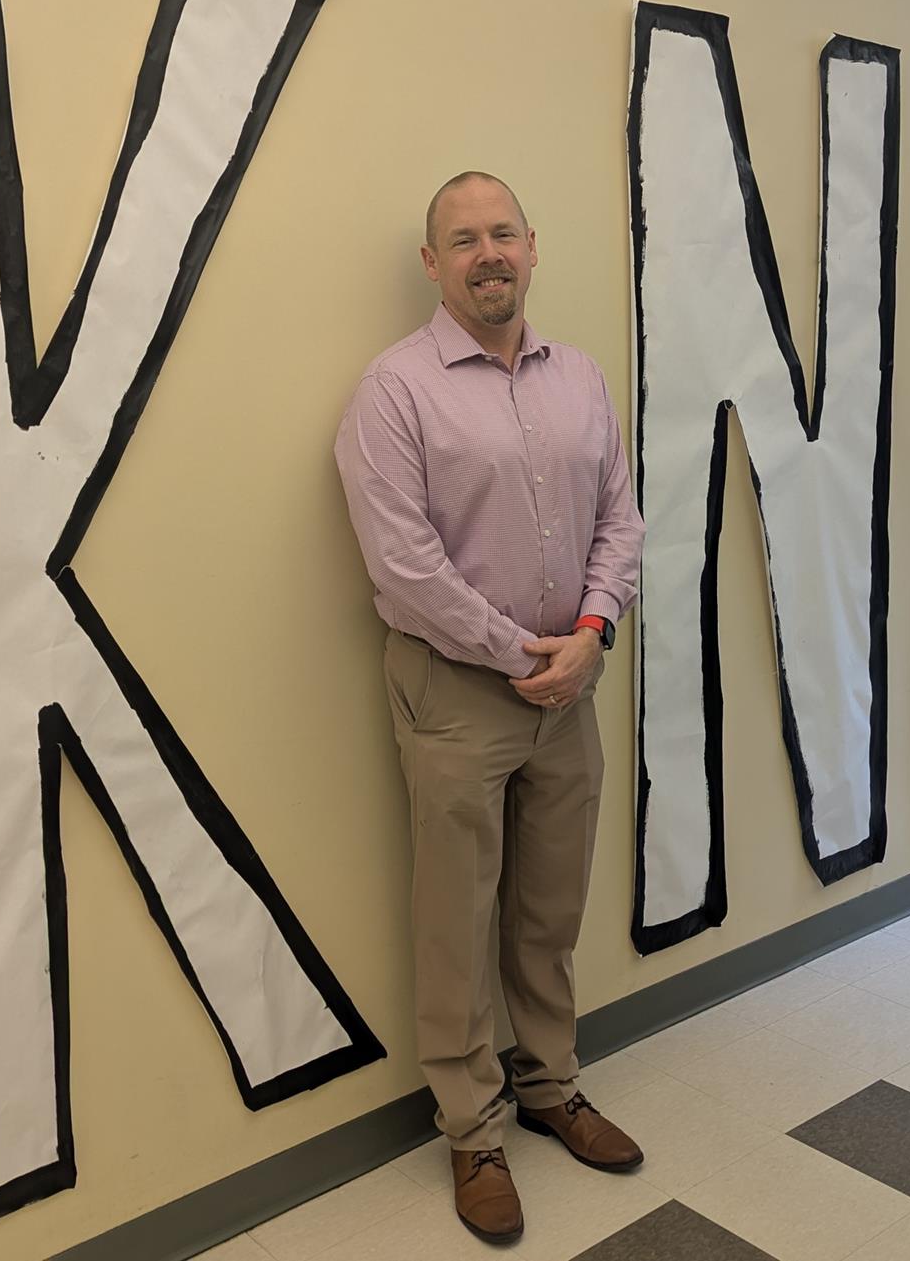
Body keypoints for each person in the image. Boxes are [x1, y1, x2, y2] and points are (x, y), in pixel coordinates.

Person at [334, 172, 647, 1243]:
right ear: (433, 264)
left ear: (530, 244)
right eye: (461, 239)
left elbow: (621, 518)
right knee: (455, 917)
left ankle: (551, 1083)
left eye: (501, 232)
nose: (487, 253)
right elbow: (403, 565)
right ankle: (472, 1131)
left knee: (549, 907)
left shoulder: (582, 380)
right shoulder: (394, 391)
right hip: (460, 690)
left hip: (572, 682)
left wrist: (592, 633)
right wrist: (525, 652)